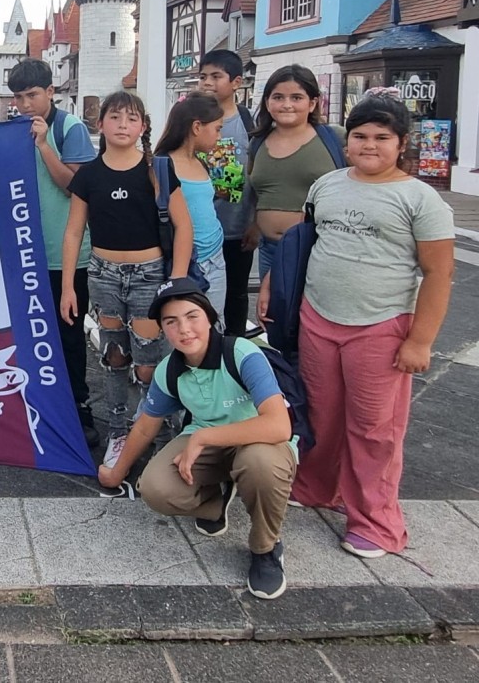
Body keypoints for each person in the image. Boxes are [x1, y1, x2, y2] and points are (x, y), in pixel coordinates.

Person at [265, 93, 454, 558]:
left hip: (381, 325)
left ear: (402, 143)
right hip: (318, 319)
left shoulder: (421, 199)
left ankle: (376, 522)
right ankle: (316, 486)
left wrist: (420, 341)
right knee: (320, 415)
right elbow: (304, 244)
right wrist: (271, 283)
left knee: (374, 429)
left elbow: (438, 274)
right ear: (347, 141)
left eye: (382, 138)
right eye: (360, 136)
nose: (369, 145)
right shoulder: (327, 185)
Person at [98, 277, 296, 601]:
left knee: (258, 464)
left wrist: (204, 436)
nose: (184, 329)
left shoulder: (242, 352)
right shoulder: (169, 369)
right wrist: (116, 473)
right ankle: (214, 504)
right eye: (171, 322)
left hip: (259, 441)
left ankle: (266, 549)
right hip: (205, 445)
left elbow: (278, 426)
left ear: (209, 317)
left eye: (192, 316)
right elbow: (147, 426)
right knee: (155, 488)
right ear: (163, 330)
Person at [60, 90, 194, 467]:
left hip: (150, 274)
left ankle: (159, 434)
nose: (123, 125)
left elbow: (184, 228)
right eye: (115, 117)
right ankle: (119, 431)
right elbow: (73, 232)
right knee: (114, 356)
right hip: (103, 274)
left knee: (150, 363)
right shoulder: (88, 175)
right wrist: (69, 286)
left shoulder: (157, 171)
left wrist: (177, 282)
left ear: (143, 126)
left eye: (131, 118)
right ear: (99, 124)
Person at [8, 58, 98, 447]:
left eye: (32, 95)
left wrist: (44, 145)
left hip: (66, 254)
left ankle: (79, 409)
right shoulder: (12, 129)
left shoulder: (69, 127)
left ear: (50, 92)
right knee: (28, 334)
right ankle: (37, 408)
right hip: (24, 252)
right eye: (18, 97)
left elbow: (75, 187)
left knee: (68, 336)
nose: (26, 104)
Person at [246, 65, 346, 296]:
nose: (287, 104)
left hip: (318, 248)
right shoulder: (258, 142)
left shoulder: (335, 138)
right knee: (273, 318)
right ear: (267, 102)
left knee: (312, 320)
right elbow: (256, 192)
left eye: (296, 97)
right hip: (269, 249)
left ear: (312, 103)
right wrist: (252, 225)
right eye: (278, 97)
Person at [198, 50, 258, 336]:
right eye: (203, 76)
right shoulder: (191, 122)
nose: (207, 82)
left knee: (236, 293)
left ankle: (232, 350)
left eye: (215, 76)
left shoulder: (249, 123)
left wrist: (255, 222)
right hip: (200, 229)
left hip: (236, 228)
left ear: (236, 82)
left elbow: (245, 183)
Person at [153, 92, 227, 323]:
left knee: (214, 325)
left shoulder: (201, 161)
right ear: (197, 127)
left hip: (215, 256)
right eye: (217, 128)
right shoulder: (163, 165)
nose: (219, 135)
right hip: (186, 261)